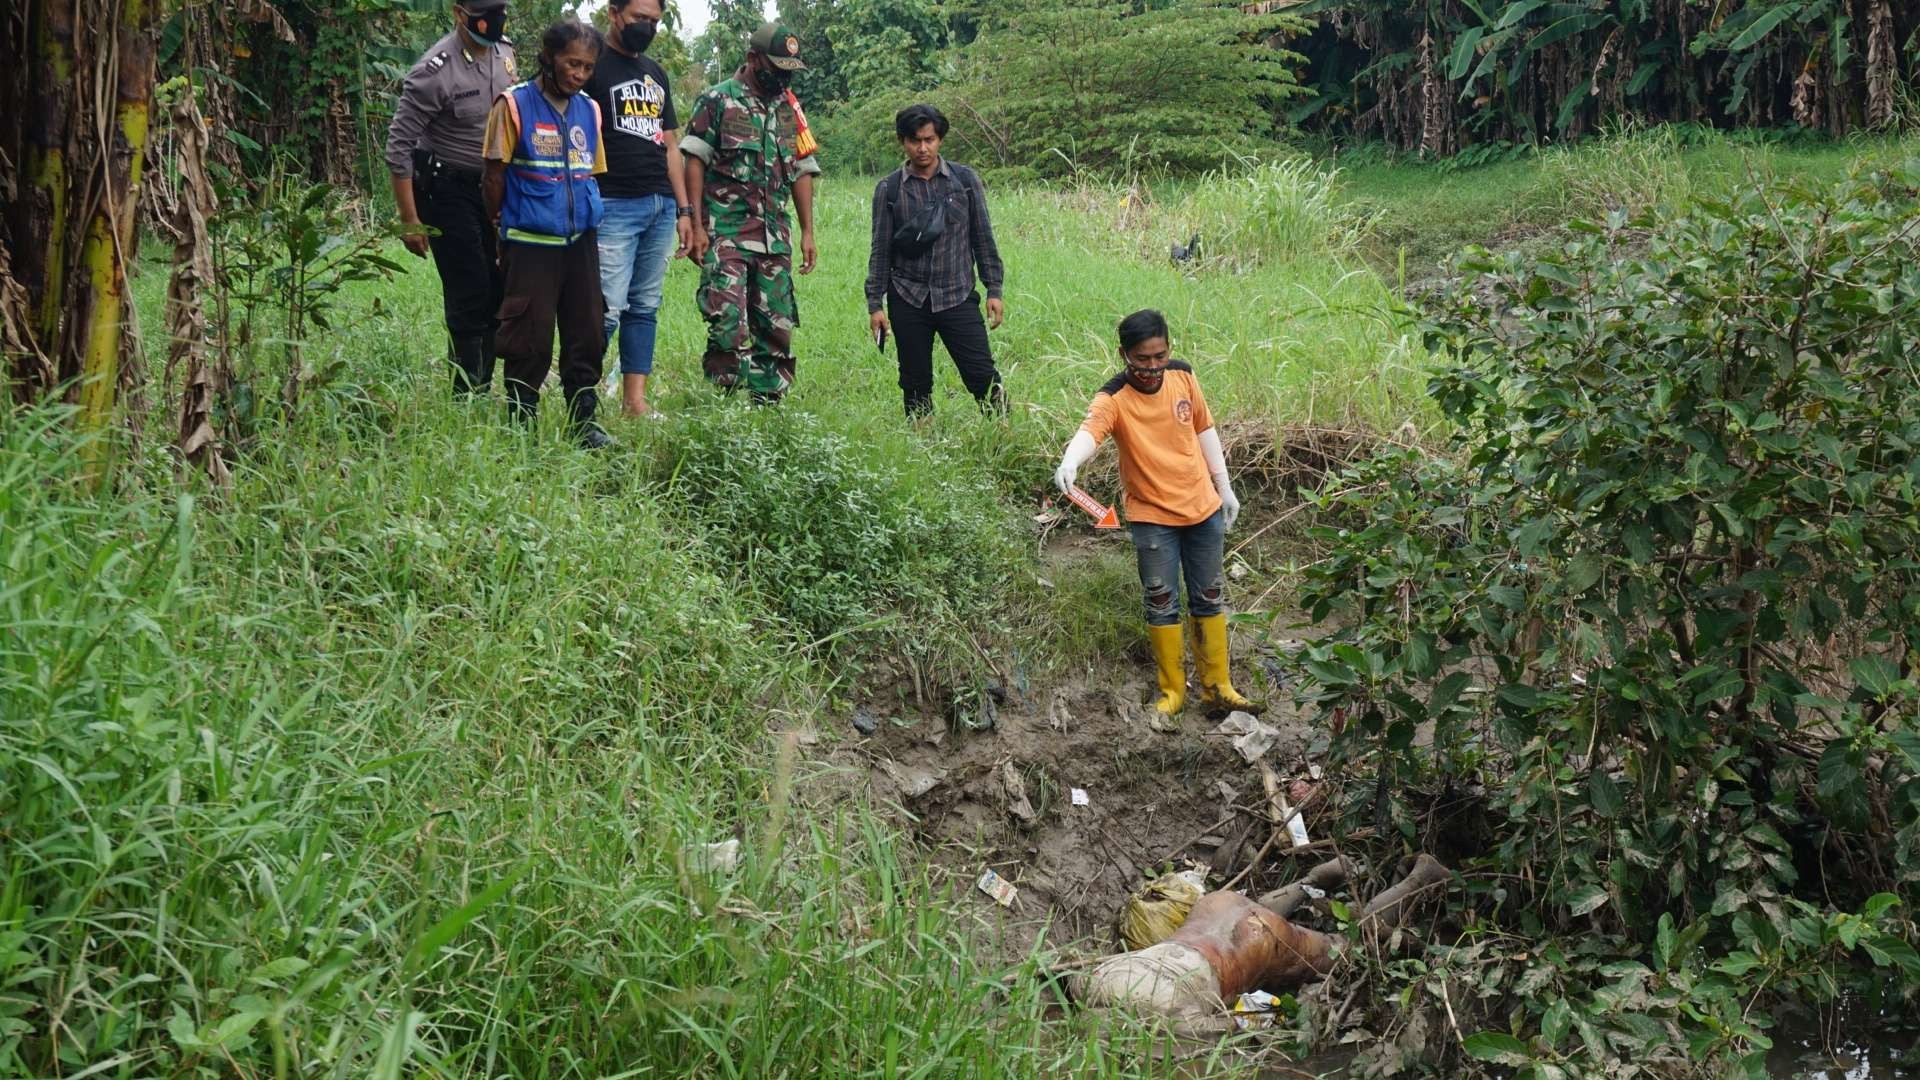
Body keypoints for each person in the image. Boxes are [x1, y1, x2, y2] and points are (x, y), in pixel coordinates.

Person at [1052, 310, 1261, 722]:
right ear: (1124, 354)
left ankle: (1217, 687)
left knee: (1210, 595)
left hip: (1203, 509)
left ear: (1169, 350)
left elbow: (1204, 428)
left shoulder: (1183, 376)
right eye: (1142, 359)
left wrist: (1224, 486)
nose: (1152, 367)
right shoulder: (1114, 397)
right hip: (1153, 517)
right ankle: (1172, 692)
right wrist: (1070, 461)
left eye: (1159, 356)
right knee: (1162, 600)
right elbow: (1091, 430)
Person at [480, 18, 615, 448]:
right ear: (550, 57)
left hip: (581, 243)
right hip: (530, 243)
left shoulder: (589, 110)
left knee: (588, 331)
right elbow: (493, 176)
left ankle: (584, 424)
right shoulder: (513, 105)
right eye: (571, 63)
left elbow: (591, 173)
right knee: (528, 336)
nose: (578, 74)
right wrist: (501, 227)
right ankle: (521, 426)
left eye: (587, 67)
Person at [679, 22, 820, 406]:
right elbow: (694, 158)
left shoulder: (790, 107)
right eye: (777, 68)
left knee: (776, 322)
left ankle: (768, 406)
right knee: (727, 322)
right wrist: (694, 222)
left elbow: (802, 169)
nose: (783, 77)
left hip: (775, 233)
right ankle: (724, 408)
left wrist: (808, 231)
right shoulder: (717, 100)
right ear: (752, 59)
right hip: (726, 232)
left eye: (790, 70)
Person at [385, 0, 517, 396]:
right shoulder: (434, 71)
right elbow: (399, 147)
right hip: (447, 189)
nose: (495, 18)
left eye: (500, 9)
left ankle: (484, 383)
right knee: (469, 287)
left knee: (498, 285)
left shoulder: (505, 52)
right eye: (485, 11)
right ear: (460, 12)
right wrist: (409, 220)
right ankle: (467, 393)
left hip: (496, 188)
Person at [865, 104, 1006, 418]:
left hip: (957, 294)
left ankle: (1004, 432)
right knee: (915, 382)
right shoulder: (889, 189)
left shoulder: (964, 181)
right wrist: (875, 304)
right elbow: (880, 250)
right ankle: (922, 445)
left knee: (982, 374)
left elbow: (982, 237)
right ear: (903, 141)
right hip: (908, 296)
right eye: (915, 140)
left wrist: (994, 289)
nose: (922, 148)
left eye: (929, 139)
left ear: (940, 139)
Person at [585, 0, 691, 417]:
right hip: (612, 203)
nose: (646, 27)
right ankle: (582, 395)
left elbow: (669, 145)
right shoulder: (591, 65)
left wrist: (684, 209)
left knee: (644, 306)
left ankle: (635, 402)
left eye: (654, 21)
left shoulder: (655, 72)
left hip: (659, 204)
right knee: (606, 307)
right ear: (613, 13)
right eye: (638, 19)